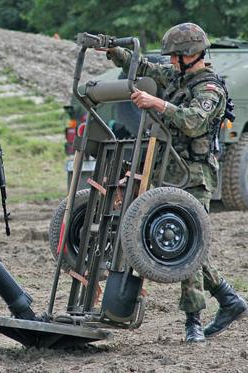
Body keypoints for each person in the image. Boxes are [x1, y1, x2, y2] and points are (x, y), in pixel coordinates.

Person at [106, 22, 248, 342]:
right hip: (170, 172)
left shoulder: (209, 88)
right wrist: (116, 52)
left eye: (174, 57)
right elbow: (143, 65)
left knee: (184, 243)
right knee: (188, 247)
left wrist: (156, 103)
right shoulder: (178, 76)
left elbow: (194, 122)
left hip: (194, 176)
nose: (170, 62)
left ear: (190, 55)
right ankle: (228, 299)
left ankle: (193, 322)